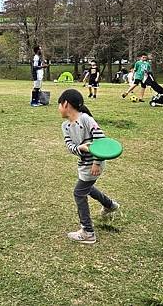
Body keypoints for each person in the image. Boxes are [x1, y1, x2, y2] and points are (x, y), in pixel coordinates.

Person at [58, 89, 120, 244]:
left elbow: (101, 140)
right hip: (83, 164)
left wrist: (96, 162)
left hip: (94, 165)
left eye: (59, 104)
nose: (58, 108)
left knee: (79, 193)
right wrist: (81, 148)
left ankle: (88, 232)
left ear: (66, 104)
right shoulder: (65, 126)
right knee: (87, 188)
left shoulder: (86, 119)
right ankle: (110, 205)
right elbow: (70, 146)